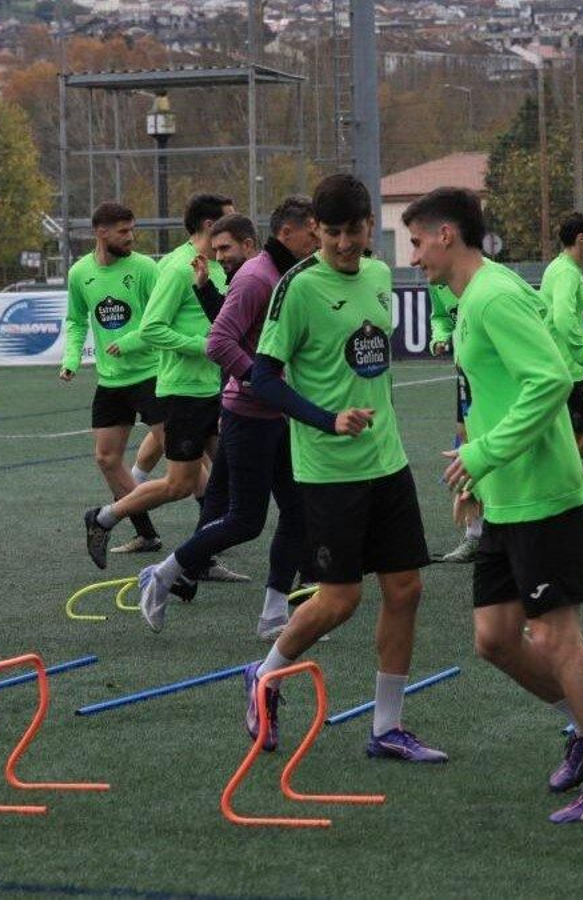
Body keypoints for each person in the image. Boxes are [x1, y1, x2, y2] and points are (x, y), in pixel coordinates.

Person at [408, 188, 583, 823]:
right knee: (496, 639)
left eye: (418, 242)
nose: (415, 256)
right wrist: (479, 477)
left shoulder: (494, 295)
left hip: (541, 492)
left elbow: (548, 381)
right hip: (506, 498)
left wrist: (485, 456)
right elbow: (496, 394)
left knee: (558, 637)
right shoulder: (469, 298)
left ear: (448, 235)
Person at [243, 174, 443, 763]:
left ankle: (387, 726)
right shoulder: (298, 288)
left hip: (388, 461)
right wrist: (327, 419)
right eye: (332, 234)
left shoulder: (381, 276)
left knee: (406, 588)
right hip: (329, 470)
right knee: (339, 600)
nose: (345, 244)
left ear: (367, 224)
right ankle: (264, 675)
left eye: (354, 231)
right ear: (315, 232)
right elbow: (260, 378)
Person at [138, 201, 321, 638]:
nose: (319, 238)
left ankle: (274, 616)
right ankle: (162, 575)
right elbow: (219, 341)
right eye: (312, 231)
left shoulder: (288, 274)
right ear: (288, 232)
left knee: (297, 513)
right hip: (248, 416)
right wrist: (256, 379)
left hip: (276, 414)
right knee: (245, 520)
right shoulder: (258, 277)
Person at [83, 193, 235, 572]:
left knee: (229, 479)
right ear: (208, 226)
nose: (235, 226)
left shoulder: (221, 267)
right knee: (180, 484)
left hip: (215, 389)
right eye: (229, 221)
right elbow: (152, 328)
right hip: (182, 391)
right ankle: (104, 517)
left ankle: (200, 560)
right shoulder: (177, 267)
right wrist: (206, 347)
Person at [59, 201, 166, 555]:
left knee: (184, 456)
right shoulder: (80, 273)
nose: (130, 237)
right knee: (107, 459)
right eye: (123, 231)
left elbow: (161, 319)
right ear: (100, 232)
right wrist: (72, 358)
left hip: (152, 374)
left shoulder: (146, 268)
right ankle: (146, 534)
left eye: (132, 230)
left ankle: (213, 530)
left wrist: (130, 341)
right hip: (111, 381)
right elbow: (76, 321)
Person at [539, 212, 583, 459]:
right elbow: (562, 320)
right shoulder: (567, 272)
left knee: (582, 443)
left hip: (564, 370)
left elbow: (563, 315)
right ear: (581, 239)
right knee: (581, 444)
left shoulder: (561, 268)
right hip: (563, 372)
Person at [429, 281, 483, 563]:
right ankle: (475, 536)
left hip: (496, 378)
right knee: (466, 442)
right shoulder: (436, 283)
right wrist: (439, 336)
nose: (417, 259)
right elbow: (439, 316)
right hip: (466, 375)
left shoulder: (488, 280)